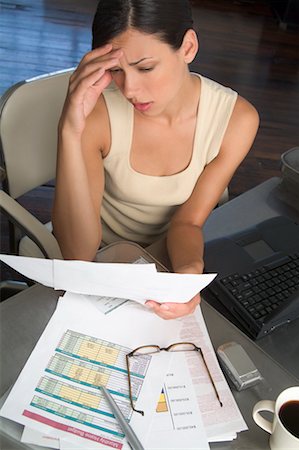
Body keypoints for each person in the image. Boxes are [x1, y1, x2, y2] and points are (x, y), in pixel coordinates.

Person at [52, 0, 259, 320]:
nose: (130, 90)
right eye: (116, 71)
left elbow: (188, 222)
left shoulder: (236, 120)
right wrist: (69, 129)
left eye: (145, 67)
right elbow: (78, 254)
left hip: (173, 254)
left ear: (188, 47)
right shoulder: (98, 115)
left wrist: (188, 275)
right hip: (105, 258)